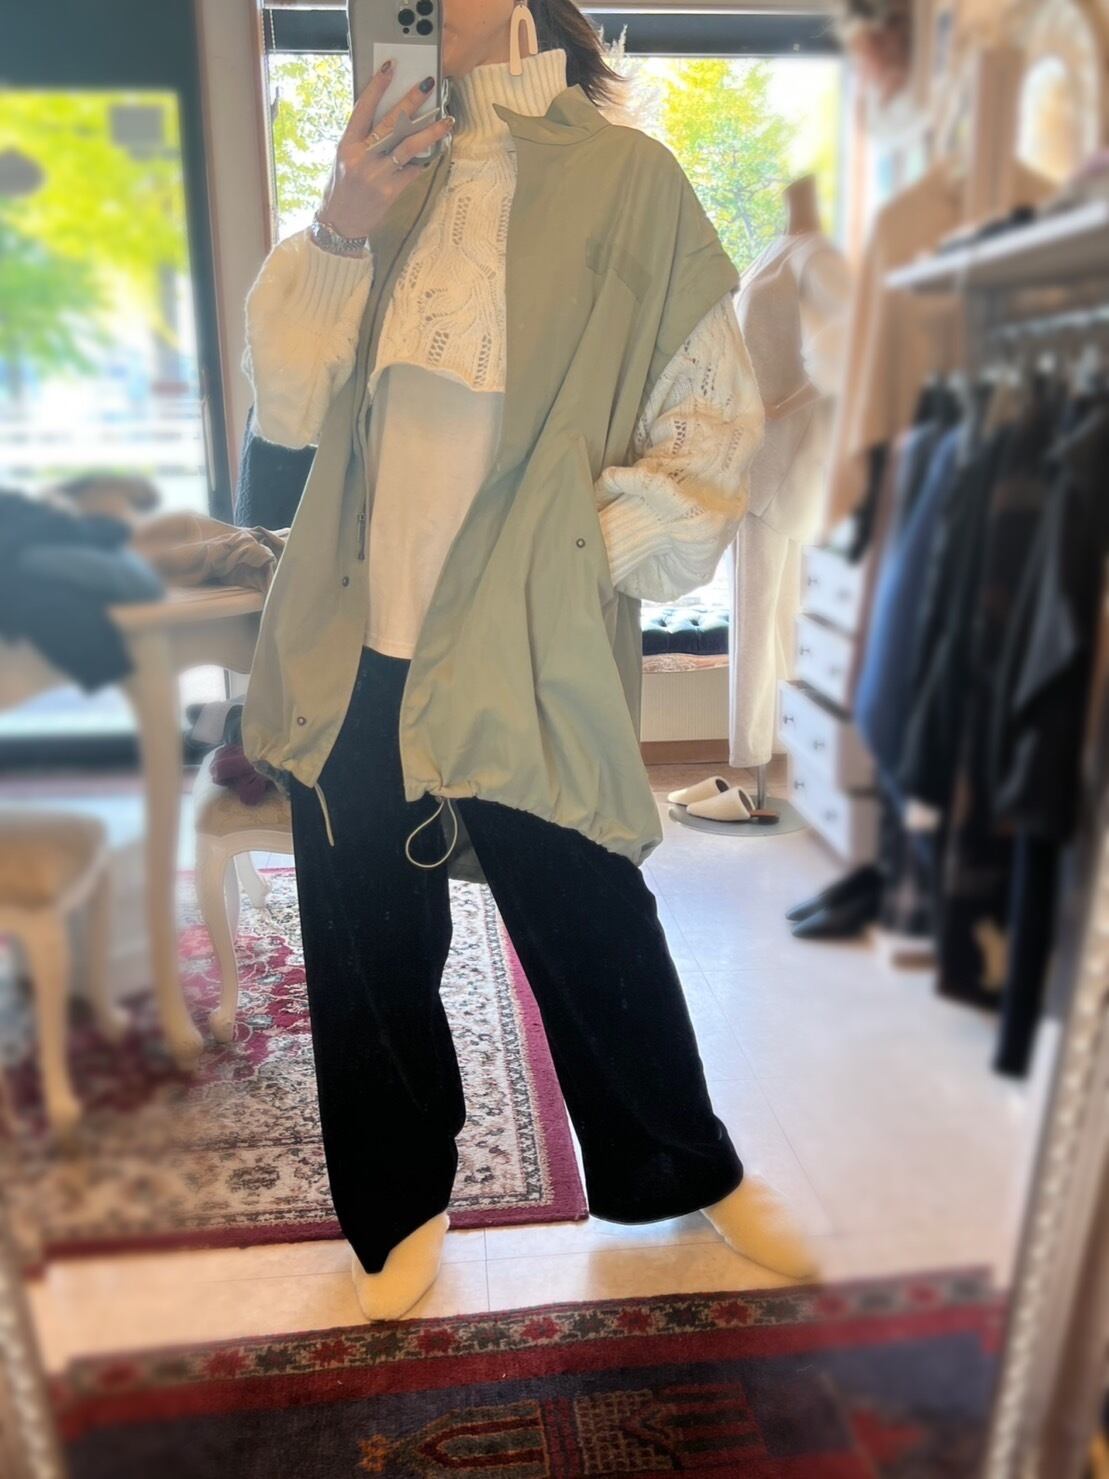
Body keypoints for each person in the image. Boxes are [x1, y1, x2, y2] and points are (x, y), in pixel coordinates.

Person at [241, 0, 817, 1320]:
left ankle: (687, 1163)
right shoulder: (377, 177)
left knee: (589, 912)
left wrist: (575, 556)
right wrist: (340, 226)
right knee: (365, 937)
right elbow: (288, 416)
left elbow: (711, 430)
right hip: (350, 629)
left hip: (526, 633)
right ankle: (398, 1204)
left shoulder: (631, 182)